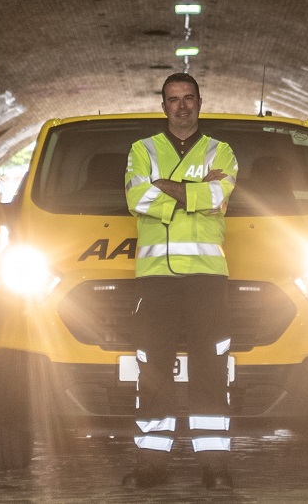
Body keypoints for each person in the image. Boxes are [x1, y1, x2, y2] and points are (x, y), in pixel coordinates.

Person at [120, 72, 239, 490]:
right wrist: (194, 194)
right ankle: (151, 466)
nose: (182, 105)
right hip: (156, 280)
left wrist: (165, 189)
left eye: (189, 97)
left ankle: (216, 468)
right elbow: (137, 198)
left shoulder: (221, 150)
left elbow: (218, 195)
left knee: (211, 370)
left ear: (200, 102)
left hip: (207, 279)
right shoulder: (142, 150)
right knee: (153, 372)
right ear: (164, 105)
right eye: (174, 99)